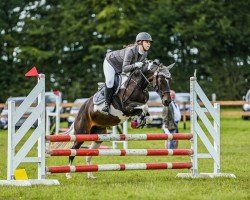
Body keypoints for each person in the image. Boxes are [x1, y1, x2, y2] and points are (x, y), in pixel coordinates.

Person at [102, 32, 153, 114]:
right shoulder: (131, 51)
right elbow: (125, 69)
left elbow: (137, 70)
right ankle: (106, 105)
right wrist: (135, 65)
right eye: (147, 42)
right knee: (110, 82)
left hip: (122, 65)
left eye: (149, 42)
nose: (149, 44)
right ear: (140, 42)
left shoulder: (145, 53)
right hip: (111, 62)